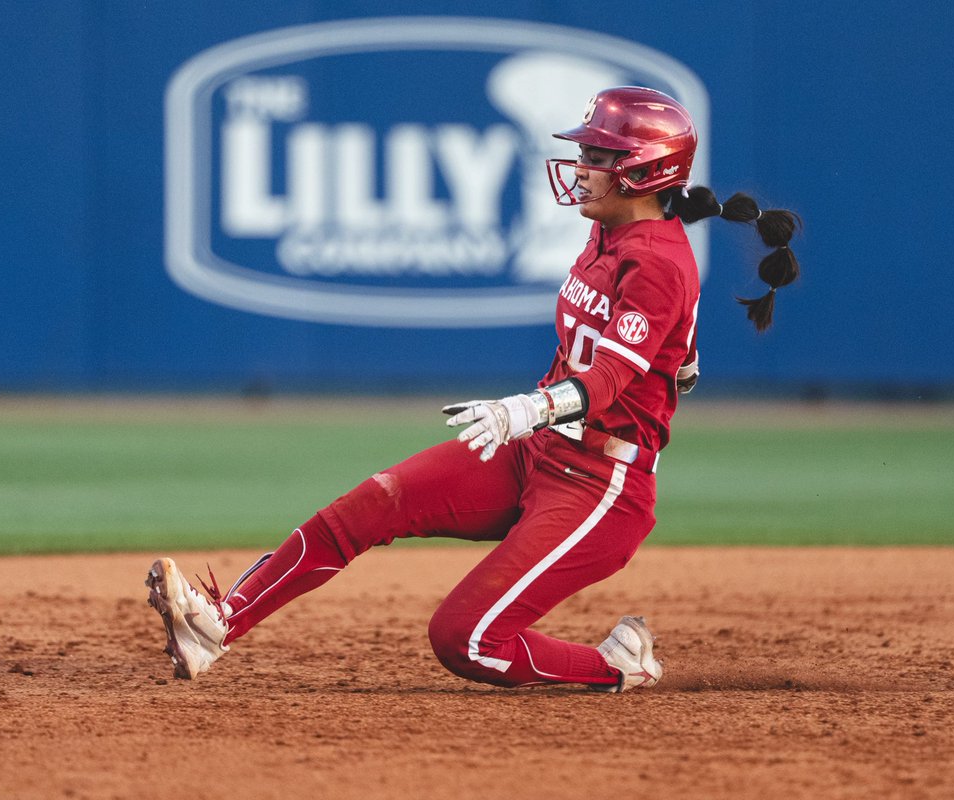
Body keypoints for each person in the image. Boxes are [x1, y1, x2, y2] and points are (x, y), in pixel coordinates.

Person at [145, 86, 802, 692]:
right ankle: (216, 625)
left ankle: (615, 667)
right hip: (539, 451)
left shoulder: (656, 259)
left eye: (598, 155)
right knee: (371, 504)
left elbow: (604, 380)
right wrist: (678, 358)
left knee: (465, 639)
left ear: (643, 170)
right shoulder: (609, 231)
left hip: (600, 487)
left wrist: (524, 409)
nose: (580, 166)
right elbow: (664, 343)